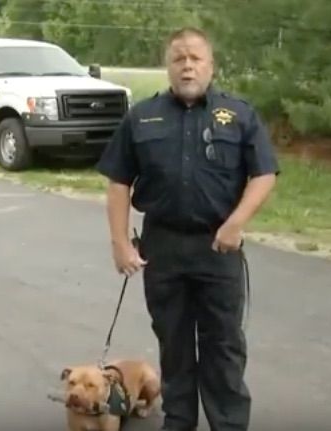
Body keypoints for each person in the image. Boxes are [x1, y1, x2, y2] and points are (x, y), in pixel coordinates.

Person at [95, 26, 279, 431]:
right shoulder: (142, 116)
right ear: (168, 66)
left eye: (196, 58)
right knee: (173, 344)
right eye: (179, 58)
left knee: (224, 346)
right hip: (163, 247)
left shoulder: (240, 115)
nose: (188, 66)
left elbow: (264, 174)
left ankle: (228, 424)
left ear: (210, 66)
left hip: (219, 248)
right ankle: (178, 421)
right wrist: (120, 243)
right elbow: (118, 181)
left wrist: (236, 223)